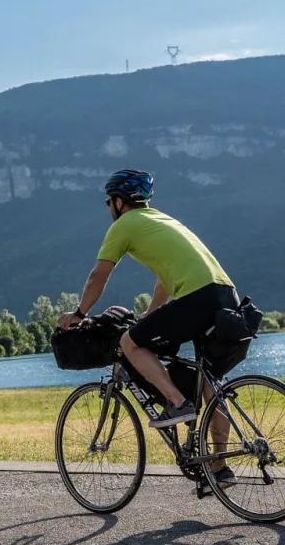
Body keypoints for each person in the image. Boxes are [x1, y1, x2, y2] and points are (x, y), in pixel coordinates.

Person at [57, 168, 238, 487]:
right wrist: (150, 315)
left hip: (198, 298)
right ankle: (220, 469)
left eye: (109, 202)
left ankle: (177, 403)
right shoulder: (163, 221)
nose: (109, 208)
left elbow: (99, 274)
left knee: (129, 343)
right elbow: (165, 280)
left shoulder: (125, 224)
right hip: (227, 297)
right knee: (210, 383)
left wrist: (79, 312)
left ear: (118, 202)